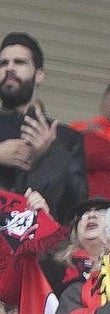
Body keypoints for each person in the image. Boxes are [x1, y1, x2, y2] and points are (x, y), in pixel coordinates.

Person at [0, 32, 88, 220]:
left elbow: (75, 206)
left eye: (19, 62)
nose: (9, 68)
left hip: (42, 242)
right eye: (3, 63)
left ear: (39, 75)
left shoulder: (65, 138)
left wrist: (47, 155)